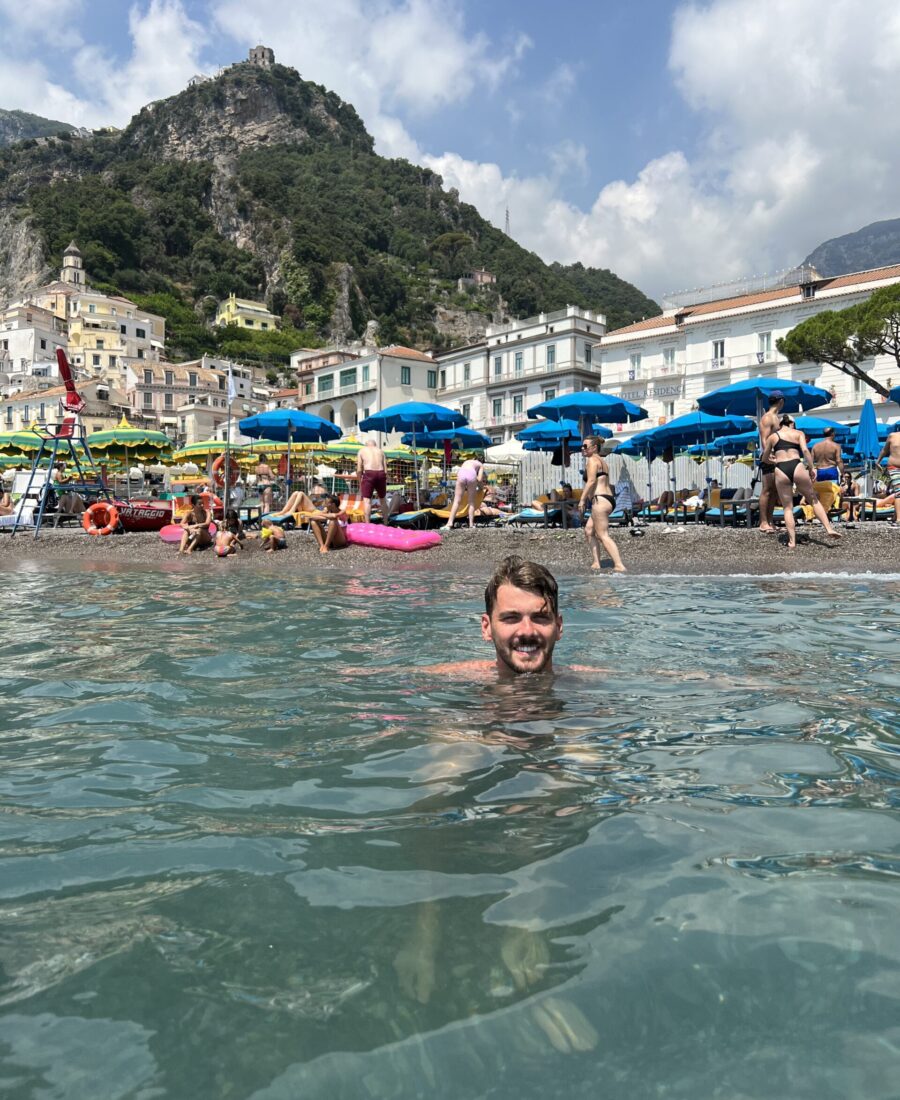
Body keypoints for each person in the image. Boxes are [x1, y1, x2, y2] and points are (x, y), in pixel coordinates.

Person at [424, 556, 564, 679]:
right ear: (486, 627)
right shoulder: (441, 678)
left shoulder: (583, 682)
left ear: (558, 627)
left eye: (540, 617)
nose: (527, 631)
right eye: (511, 618)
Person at [759, 414, 842, 548]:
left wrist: (773, 461)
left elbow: (764, 458)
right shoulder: (798, 433)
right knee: (813, 499)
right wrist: (811, 468)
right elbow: (805, 450)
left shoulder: (773, 437)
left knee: (787, 507)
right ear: (791, 423)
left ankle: (792, 541)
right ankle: (829, 528)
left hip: (781, 469)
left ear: (780, 424)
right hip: (797, 466)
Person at [578, 436, 626, 572]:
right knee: (589, 530)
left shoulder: (592, 460)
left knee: (603, 535)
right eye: (582, 446)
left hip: (600, 500)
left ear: (594, 448)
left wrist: (582, 500)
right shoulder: (602, 461)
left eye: (585, 446)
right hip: (607, 499)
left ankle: (619, 565)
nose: (582, 448)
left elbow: (591, 481)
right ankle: (596, 562)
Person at [757, 390, 784, 533]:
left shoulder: (775, 417)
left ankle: (770, 521)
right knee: (767, 490)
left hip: (774, 457)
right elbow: (764, 439)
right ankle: (763, 522)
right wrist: (770, 455)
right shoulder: (768, 418)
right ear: (781, 401)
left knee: (774, 491)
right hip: (768, 457)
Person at [441, 456, 484, 529]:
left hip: (461, 473)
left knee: (456, 501)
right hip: (471, 474)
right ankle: (471, 524)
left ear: (474, 458)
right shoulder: (480, 465)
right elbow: (479, 479)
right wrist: (481, 487)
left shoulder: (467, 461)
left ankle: (449, 523)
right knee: (471, 502)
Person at [356, 437, 389, 523]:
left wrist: (360, 481)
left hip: (369, 473)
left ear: (366, 444)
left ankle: (368, 524)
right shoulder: (381, 451)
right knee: (383, 499)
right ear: (375, 445)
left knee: (367, 501)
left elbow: (359, 469)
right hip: (381, 473)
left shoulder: (362, 450)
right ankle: (386, 522)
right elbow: (386, 470)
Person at [876, 427, 900, 523]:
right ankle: (899, 519)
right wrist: (878, 461)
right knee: (899, 491)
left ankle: (895, 516)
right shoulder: (892, 436)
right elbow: (885, 450)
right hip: (894, 467)